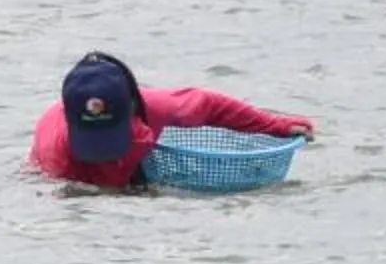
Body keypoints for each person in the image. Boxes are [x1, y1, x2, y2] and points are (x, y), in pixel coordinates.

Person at [31, 50, 311, 188]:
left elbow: (212, 106)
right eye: (96, 142)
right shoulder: (55, 153)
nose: (104, 152)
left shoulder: (154, 106)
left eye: (113, 134)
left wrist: (277, 126)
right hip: (74, 174)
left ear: (133, 108)